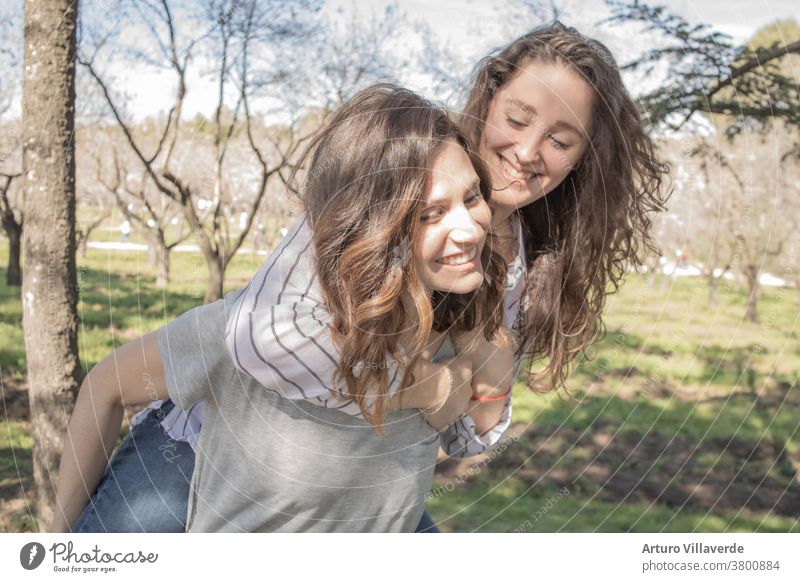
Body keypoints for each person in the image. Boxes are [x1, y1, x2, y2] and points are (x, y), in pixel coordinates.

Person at [54, 21, 669, 533]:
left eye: (560, 140)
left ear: (584, 157)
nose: (530, 150)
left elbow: (472, 435)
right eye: (518, 117)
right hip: (206, 450)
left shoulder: (529, 269)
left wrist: (474, 377)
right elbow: (268, 342)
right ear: (489, 97)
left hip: (352, 490)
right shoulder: (391, 171)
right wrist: (429, 384)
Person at [52, 84, 512, 533]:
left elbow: (474, 434)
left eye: (472, 197)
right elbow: (106, 385)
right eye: (430, 213)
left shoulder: (451, 336)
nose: (470, 229)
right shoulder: (254, 333)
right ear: (374, 228)